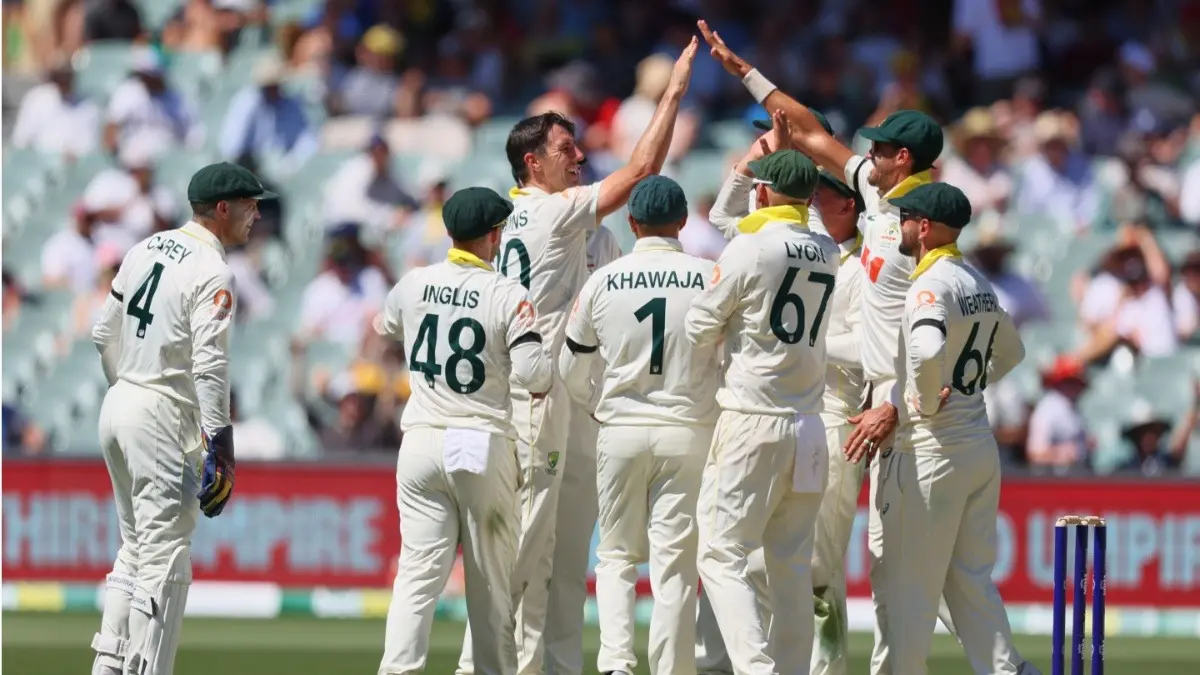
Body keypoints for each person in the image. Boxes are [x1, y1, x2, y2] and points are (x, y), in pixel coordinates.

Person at [695, 21, 976, 673]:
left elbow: (935, 328)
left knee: (891, 563)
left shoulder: (921, 227)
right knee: (847, 559)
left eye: (877, 151)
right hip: (853, 411)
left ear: (901, 161)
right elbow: (809, 131)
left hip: (889, 409)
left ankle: (992, 657)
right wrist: (746, 73)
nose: (862, 157)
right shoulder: (879, 202)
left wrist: (895, 404)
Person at [458, 37, 697, 675]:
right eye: (568, 149)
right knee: (523, 547)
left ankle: (554, 666)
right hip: (532, 394)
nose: (581, 156)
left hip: (572, 395)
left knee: (566, 553)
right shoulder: (545, 213)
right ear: (533, 162)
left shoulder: (582, 232)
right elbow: (642, 171)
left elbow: (612, 304)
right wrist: (672, 93)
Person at [89, 162, 272, 675]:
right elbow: (210, 364)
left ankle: (108, 667)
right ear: (221, 209)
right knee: (167, 557)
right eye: (250, 204)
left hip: (121, 402)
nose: (257, 214)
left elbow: (104, 335)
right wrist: (221, 441)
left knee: (135, 549)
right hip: (161, 414)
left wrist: (128, 388)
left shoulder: (143, 248)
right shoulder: (214, 270)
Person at [373, 187, 553, 675]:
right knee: (491, 582)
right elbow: (535, 376)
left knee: (417, 577)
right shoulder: (507, 293)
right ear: (494, 235)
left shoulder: (414, 282)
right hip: (478, 440)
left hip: (420, 442)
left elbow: (383, 325)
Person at [684, 149, 838, 675]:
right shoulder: (827, 248)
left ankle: (756, 669)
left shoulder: (750, 248)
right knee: (790, 563)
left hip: (754, 418)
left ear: (764, 192)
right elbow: (803, 217)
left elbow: (699, 326)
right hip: (810, 426)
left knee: (721, 553)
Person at [558, 176, 719, 675]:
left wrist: (595, 404)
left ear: (631, 222)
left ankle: (616, 665)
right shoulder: (710, 275)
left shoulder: (603, 279)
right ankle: (671, 667)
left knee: (617, 555)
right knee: (676, 561)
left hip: (621, 428)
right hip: (689, 429)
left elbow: (570, 366)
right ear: (683, 220)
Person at [883, 182, 1034, 674]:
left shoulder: (929, 285)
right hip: (977, 446)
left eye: (904, 218)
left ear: (923, 228)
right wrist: (968, 386)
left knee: (908, 591)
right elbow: (1012, 353)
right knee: (971, 583)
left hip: (932, 452)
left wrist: (924, 401)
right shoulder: (976, 280)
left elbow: (926, 351)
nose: (900, 227)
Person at [542, 222, 624, 675]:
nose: (574, 169)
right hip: (530, 409)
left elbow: (610, 324)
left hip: (583, 416)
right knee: (519, 559)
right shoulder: (522, 227)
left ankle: (562, 667)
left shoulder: (602, 238)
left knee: (571, 558)